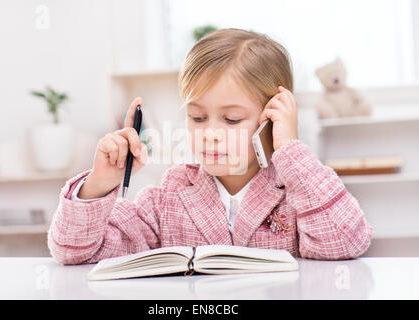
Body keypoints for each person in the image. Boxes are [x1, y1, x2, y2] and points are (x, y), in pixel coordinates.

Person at [48, 28, 372, 265]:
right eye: (198, 117)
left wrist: (288, 149)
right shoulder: (170, 196)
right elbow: (75, 251)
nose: (211, 134)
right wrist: (98, 185)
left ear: (273, 117)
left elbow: (344, 241)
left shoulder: (298, 189)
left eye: (231, 120)